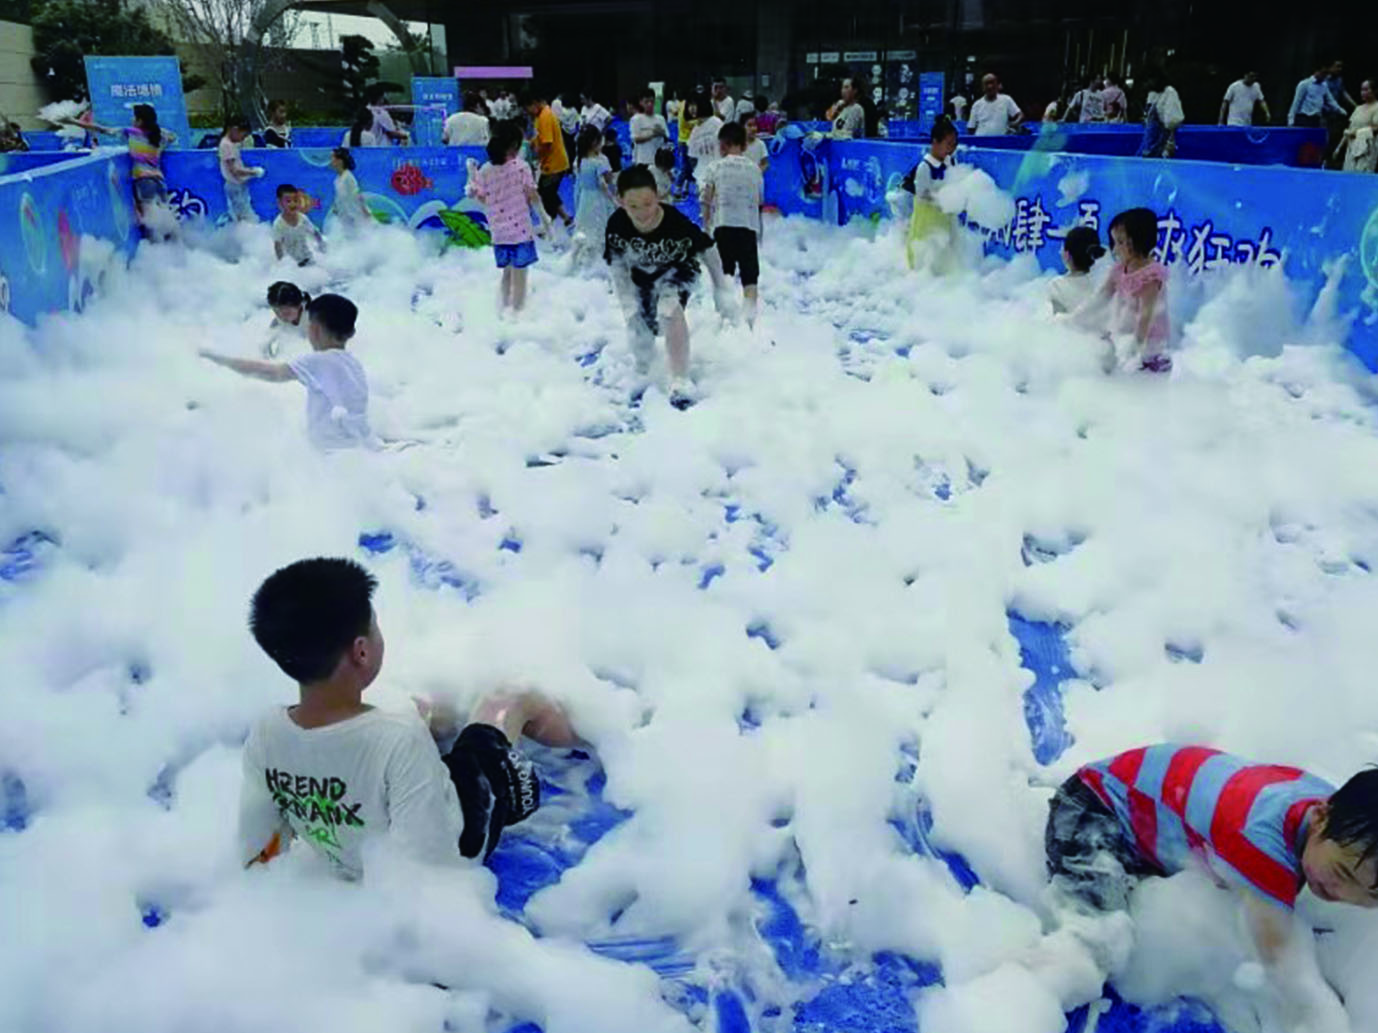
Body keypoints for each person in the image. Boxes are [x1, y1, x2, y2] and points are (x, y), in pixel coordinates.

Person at [237, 557, 582, 878]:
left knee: (417, 706)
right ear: (362, 651)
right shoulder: (397, 737)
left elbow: (259, 848)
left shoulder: (267, 732)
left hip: (349, 852)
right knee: (509, 695)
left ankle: (445, 724)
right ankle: (591, 737)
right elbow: (430, 864)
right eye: (375, 627)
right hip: (462, 837)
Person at [1046, 744, 1378, 1033]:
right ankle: (1030, 994)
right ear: (1320, 815)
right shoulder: (1262, 841)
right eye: (1341, 872)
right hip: (1094, 807)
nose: (1344, 894)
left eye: (1371, 895)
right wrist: (1319, 1016)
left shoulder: (1332, 814)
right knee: (1098, 937)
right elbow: (1279, 956)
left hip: (1151, 803)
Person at [604, 164, 732, 409]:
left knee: (668, 309)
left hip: (678, 270)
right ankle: (645, 369)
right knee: (639, 324)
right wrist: (627, 304)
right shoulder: (617, 224)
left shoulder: (674, 222)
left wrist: (721, 290)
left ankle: (679, 378)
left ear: (659, 196)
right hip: (641, 276)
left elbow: (708, 249)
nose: (642, 213)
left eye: (648, 204)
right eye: (633, 206)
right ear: (620, 201)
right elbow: (617, 268)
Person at [201, 295, 374, 451]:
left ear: (314, 330)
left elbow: (271, 373)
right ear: (351, 333)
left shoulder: (319, 361)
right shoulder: (354, 364)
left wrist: (222, 360)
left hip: (329, 452)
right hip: (354, 450)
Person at [1072, 207, 1171, 373]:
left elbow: (1146, 315)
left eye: (1121, 242)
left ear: (1139, 241)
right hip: (1125, 333)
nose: (1115, 249)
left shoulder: (1151, 277)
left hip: (1151, 347)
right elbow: (1102, 297)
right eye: (1114, 242)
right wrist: (1077, 316)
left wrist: (1135, 345)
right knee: (1101, 347)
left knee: (1143, 383)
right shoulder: (1119, 270)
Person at [469, 121, 544, 314]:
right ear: (515, 145)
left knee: (507, 273)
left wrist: (472, 175)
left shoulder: (485, 170)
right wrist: (545, 220)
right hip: (520, 231)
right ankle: (518, 313)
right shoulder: (521, 167)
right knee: (521, 274)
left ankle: (502, 308)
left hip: (499, 232)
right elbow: (532, 195)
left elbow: (481, 197)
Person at [700, 121, 764, 328]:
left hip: (723, 227)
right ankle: (750, 323)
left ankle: (724, 322)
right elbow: (759, 201)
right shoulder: (755, 169)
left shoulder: (715, 167)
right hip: (748, 228)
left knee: (724, 276)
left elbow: (706, 199)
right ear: (744, 145)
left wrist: (706, 226)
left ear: (723, 145)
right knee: (750, 278)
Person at [80, 103, 177, 236]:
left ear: (140, 121)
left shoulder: (132, 133)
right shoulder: (159, 135)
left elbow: (103, 130)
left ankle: (157, 251)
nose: (132, 120)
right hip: (160, 182)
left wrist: (74, 122)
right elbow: (173, 137)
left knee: (151, 222)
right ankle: (177, 248)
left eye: (134, 118)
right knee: (166, 218)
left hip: (143, 182)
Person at [900, 117, 959, 271]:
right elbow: (922, 195)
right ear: (935, 142)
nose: (951, 149)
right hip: (925, 225)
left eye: (954, 145)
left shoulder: (950, 163)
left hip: (943, 225)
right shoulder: (924, 167)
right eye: (948, 144)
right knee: (924, 264)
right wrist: (943, 199)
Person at [522, 89, 573, 228]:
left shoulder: (545, 116)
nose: (529, 113)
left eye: (528, 109)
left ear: (534, 103)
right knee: (547, 193)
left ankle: (548, 224)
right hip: (551, 164)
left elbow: (547, 143)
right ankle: (566, 218)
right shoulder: (541, 116)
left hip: (555, 165)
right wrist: (532, 142)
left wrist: (536, 157)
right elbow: (540, 138)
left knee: (545, 194)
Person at [572, 125, 617, 269]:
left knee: (585, 228)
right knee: (599, 229)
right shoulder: (598, 162)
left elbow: (579, 183)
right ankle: (596, 264)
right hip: (598, 201)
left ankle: (579, 260)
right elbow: (605, 184)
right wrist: (614, 200)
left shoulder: (579, 161)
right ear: (594, 143)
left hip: (584, 198)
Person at [1048, 226, 1104, 315]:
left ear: (1067, 255)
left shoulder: (1057, 285)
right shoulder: (1104, 281)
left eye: (1062, 248)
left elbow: (1057, 323)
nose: (1059, 252)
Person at [219, 117, 264, 223]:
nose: (242, 139)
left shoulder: (230, 144)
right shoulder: (226, 145)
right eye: (243, 136)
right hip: (234, 186)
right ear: (234, 130)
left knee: (242, 213)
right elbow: (235, 170)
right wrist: (254, 172)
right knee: (242, 215)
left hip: (237, 185)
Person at [272, 184, 324, 266]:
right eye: (288, 201)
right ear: (280, 203)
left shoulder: (303, 219)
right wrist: (281, 263)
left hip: (307, 258)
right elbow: (278, 246)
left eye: (296, 200)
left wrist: (322, 246)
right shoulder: (278, 224)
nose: (293, 204)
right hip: (292, 264)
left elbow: (315, 233)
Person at [1138, 71, 1185, 158]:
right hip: (1150, 137)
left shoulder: (1169, 92)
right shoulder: (1152, 94)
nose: (1147, 84)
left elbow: (1173, 120)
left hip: (1162, 138)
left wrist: (1169, 141)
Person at [263, 281, 310, 357]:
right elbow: (264, 345)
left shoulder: (315, 319)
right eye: (277, 312)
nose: (281, 317)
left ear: (299, 305)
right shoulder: (277, 322)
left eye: (286, 313)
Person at [1340, 80, 1378, 172]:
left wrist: (1359, 133)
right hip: (1351, 147)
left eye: (1366, 90)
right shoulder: (1358, 108)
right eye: (1362, 90)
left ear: (1374, 91)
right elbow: (1350, 128)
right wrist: (1339, 148)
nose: (1363, 93)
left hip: (1367, 148)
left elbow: (1376, 127)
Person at [329, 148, 371, 230]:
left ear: (340, 161)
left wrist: (365, 211)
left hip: (354, 216)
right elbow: (339, 197)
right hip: (344, 217)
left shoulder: (348, 177)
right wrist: (335, 208)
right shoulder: (337, 179)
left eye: (332, 158)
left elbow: (358, 195)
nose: (330, 161)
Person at [629, 89, 669, 167]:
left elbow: (667, 137)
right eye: (646, 102)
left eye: (652, 101)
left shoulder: (660, 118)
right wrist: (653, 134)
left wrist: (661, 132)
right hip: (642, 160)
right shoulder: (636, 119)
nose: (649, 104)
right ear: (641, 102)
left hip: (659, 160)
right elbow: (636, 139)